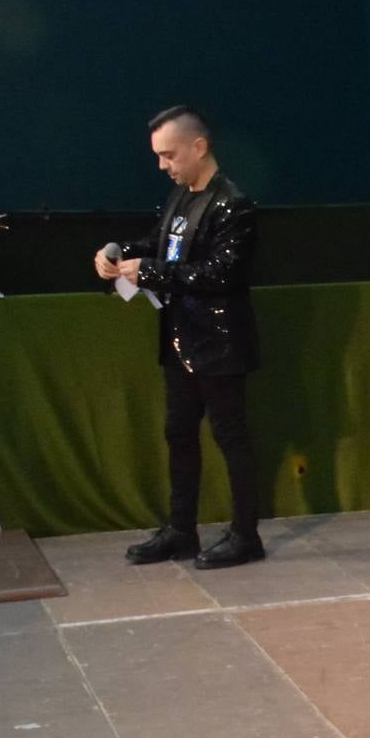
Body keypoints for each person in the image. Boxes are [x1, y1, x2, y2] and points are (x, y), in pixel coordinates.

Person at [93, 105, 264, 569]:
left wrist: (149, 270)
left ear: (199, 146)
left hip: (220, 341)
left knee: (231, 436)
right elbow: (159, 242)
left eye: (169, 155)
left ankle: (245, 534)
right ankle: (180, 529)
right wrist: (118, 254)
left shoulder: (233, 204)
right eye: (159, 157)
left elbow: (221, 273)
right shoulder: (178, 198)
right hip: (179, 338)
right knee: (179, 434)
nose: (163, 165)